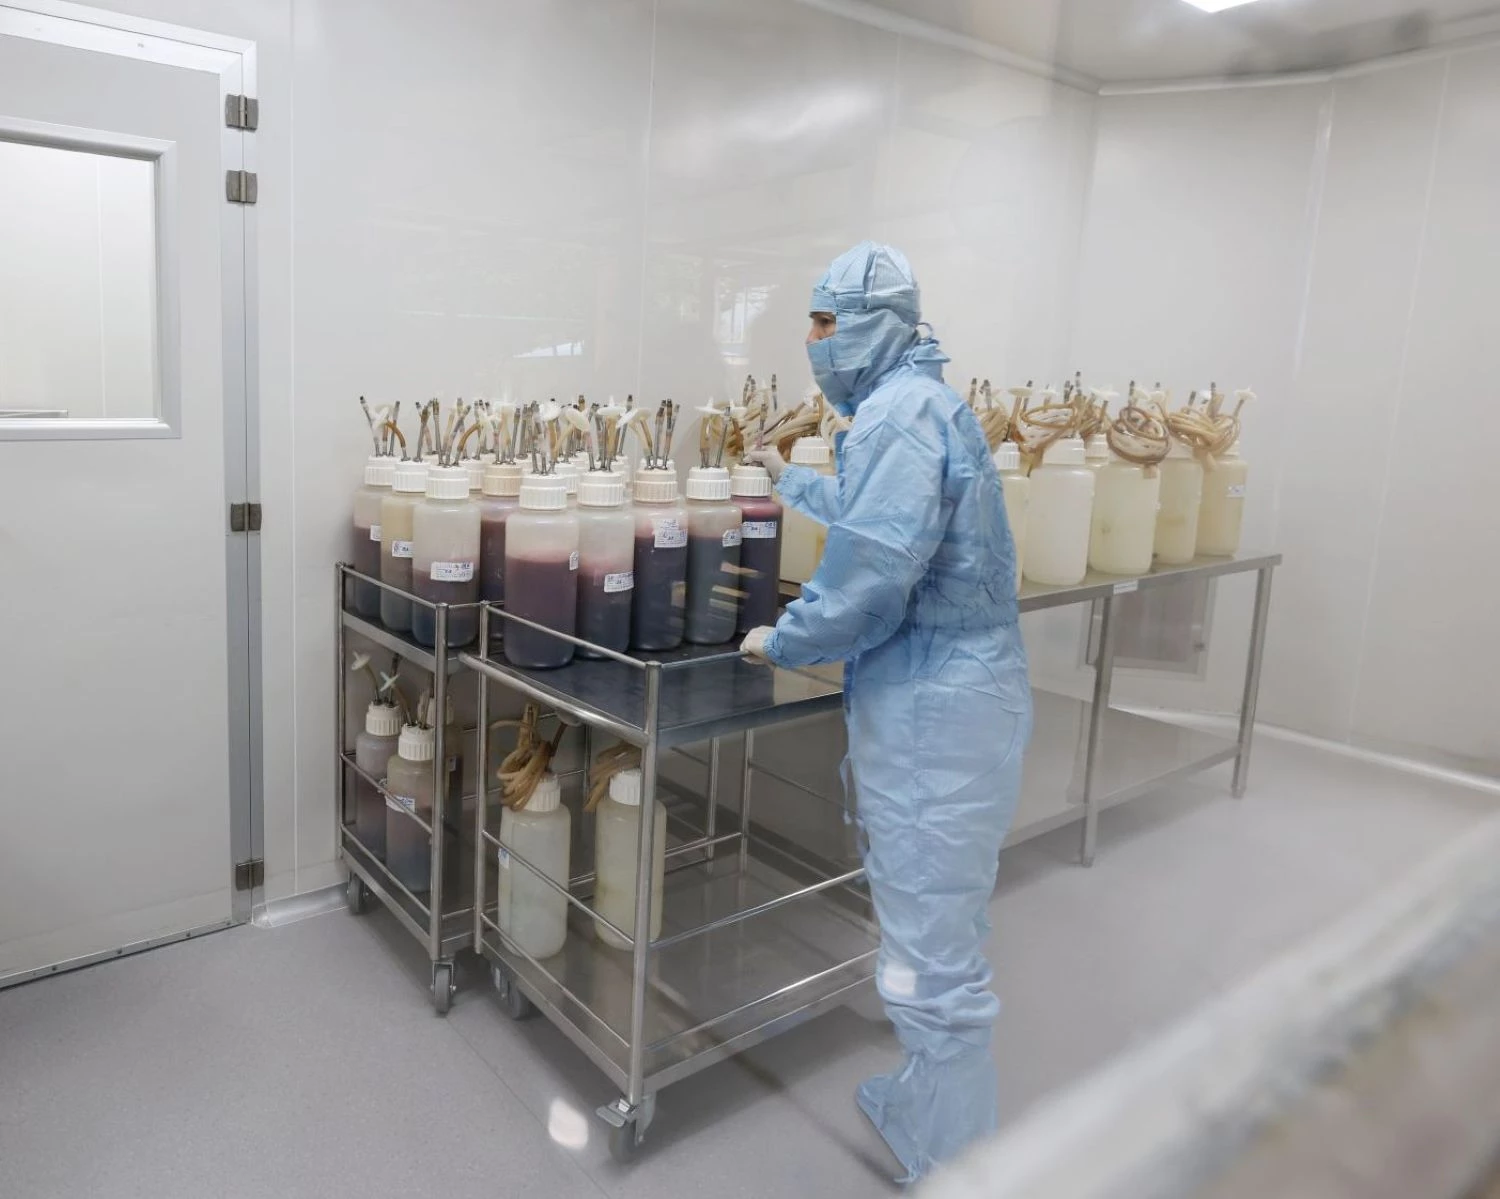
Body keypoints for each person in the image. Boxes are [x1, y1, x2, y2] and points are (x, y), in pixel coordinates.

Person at [741, 242, 1031, 1183]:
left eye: (826, 322)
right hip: (955, 692)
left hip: (934, 708)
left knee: (931, 936)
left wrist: (784, 639)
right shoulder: (915, 404)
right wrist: (787, 477)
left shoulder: (898, 416)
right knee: (936, 915)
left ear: (875, 324)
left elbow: (869, 575)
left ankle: (955, 1156)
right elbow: (878, 515)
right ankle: (929, 1101)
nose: (813, 341)